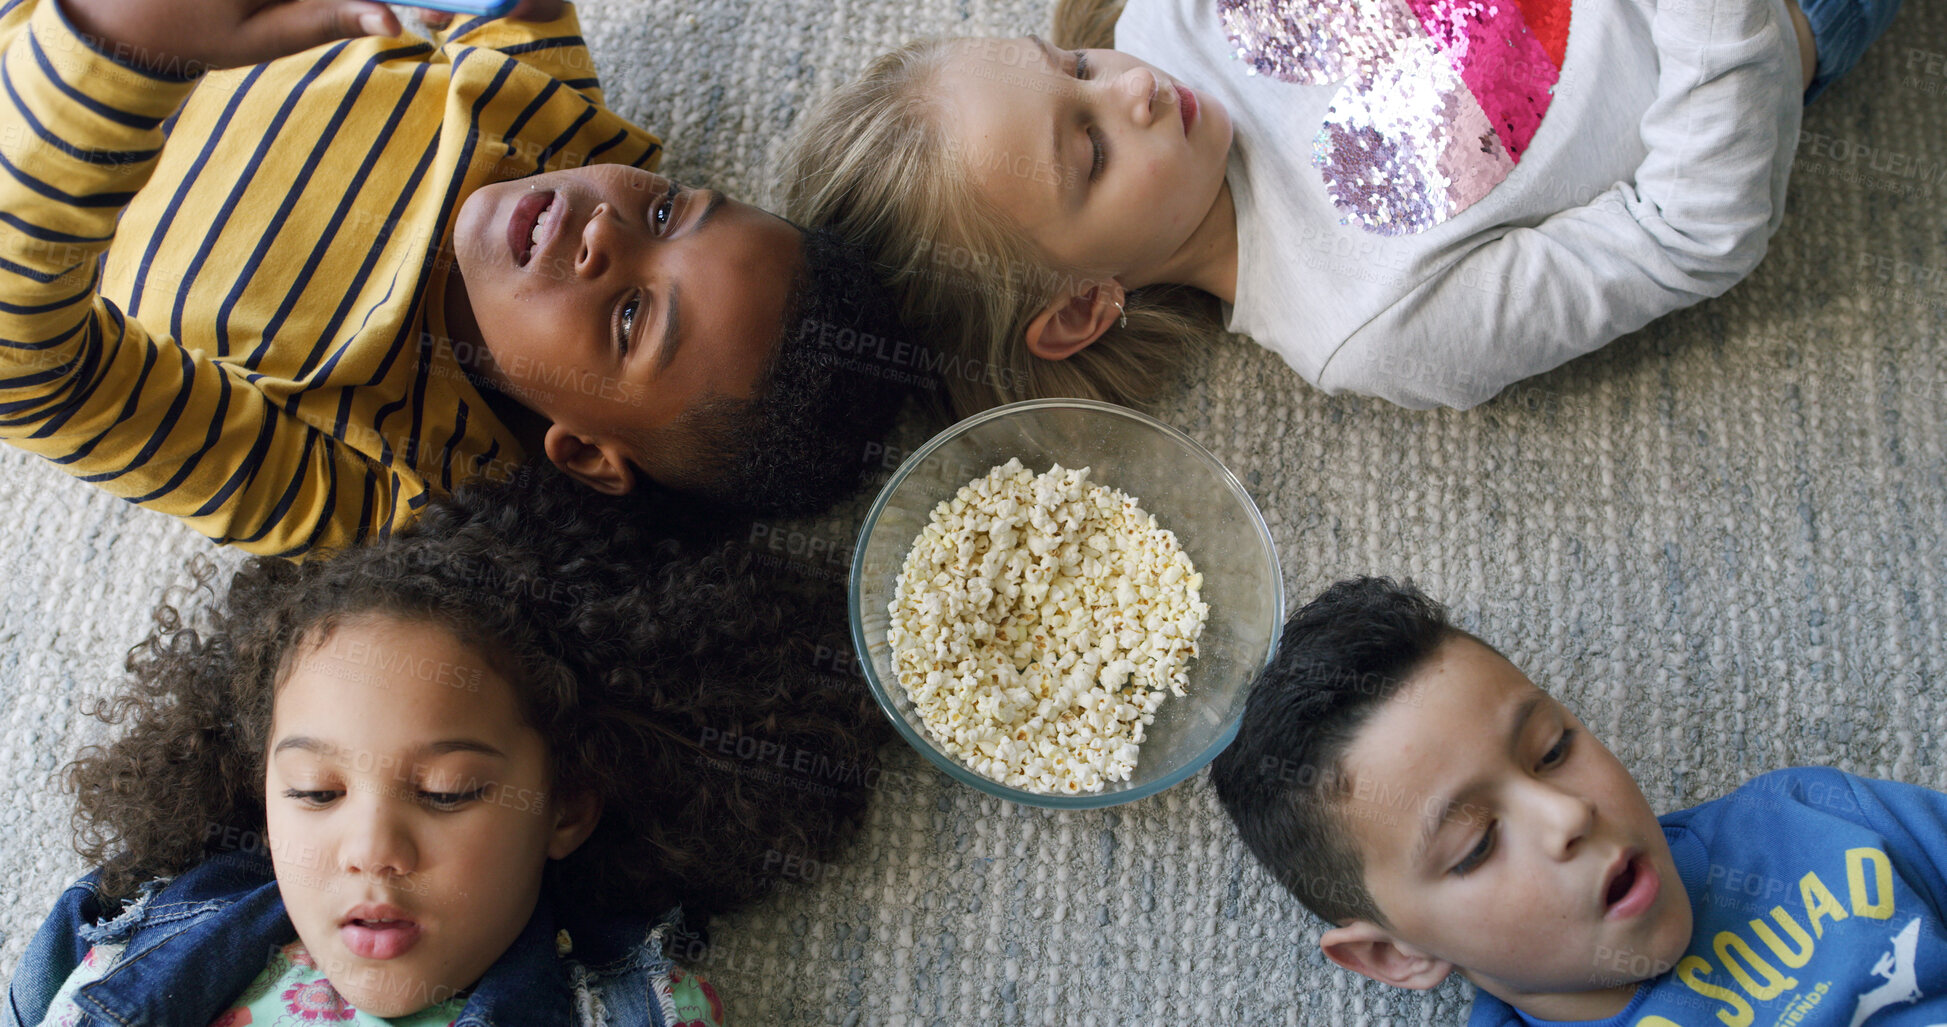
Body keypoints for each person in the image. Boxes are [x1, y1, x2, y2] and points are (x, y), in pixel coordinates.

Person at [0, 0, 915, 559]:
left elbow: (39, 378)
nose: (605, 226)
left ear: (587, 453)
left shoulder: (376, 483)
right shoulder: (551, 120)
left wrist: (121, 46)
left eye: (632, 315)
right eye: (670, 211)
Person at [4, 466, 887, 1025]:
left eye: (448, 790)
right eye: (315, 791)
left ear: (565, 807)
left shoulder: (640, 1009)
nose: (372, 851)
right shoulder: (124, 923)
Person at [781, 0, 1899, 417]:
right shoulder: (1368, 324)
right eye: (1090, 148)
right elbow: (1692, 232)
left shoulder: (1157, 29)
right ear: (1078, 310)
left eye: (1065, 66)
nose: (1123, 86)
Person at [1209, 577, 1947, 1026]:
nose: (1567, 816)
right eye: (1476, 844)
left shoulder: (1809, 817)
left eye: (1554, 750)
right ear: (1390, 952)